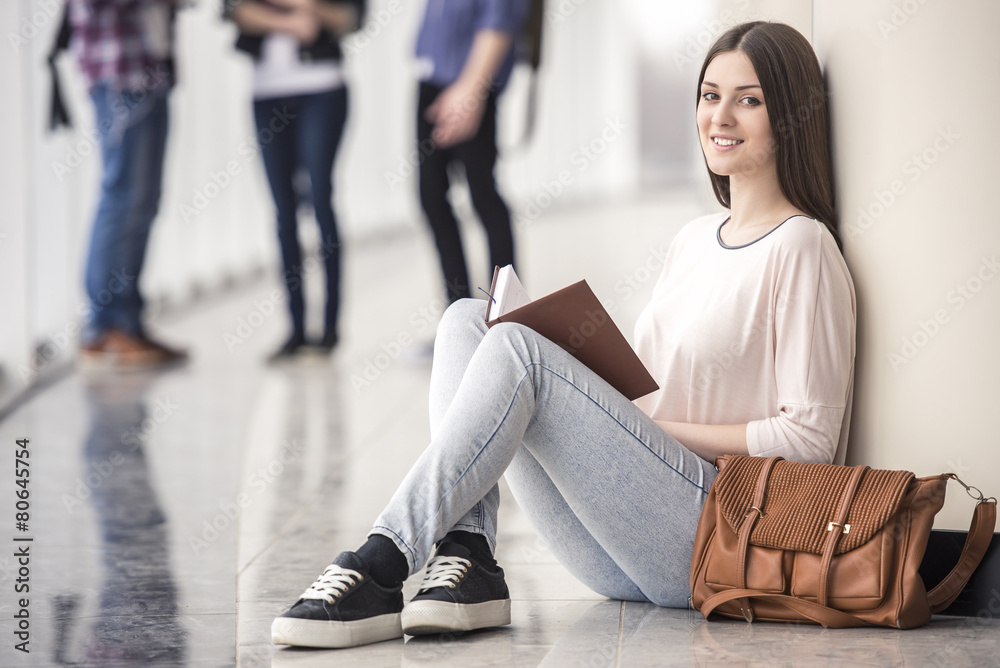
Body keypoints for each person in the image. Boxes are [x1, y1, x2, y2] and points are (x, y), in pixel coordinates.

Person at [270, 21, 857, 649]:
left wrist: (647, 432)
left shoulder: (802, 246)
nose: (721, 117)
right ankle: (470, 554)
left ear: (792, 115)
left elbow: (812, 442)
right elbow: (658, 393)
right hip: (626, 537)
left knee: (519, 352)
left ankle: (383, 557)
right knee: (469, 320)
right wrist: (602, 394)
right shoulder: (693, 239)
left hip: (713, 535)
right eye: (710, 95)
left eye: (750, 100)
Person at [225, 0, 364, 361]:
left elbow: (352, 17)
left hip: (323, 89)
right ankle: (296, 329)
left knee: (321, 200)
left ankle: (330, 327)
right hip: (267, 92)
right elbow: (233, 9)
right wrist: (292, 17)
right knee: (283, 212)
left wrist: (307, 10)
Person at [71, 0, 188, 369]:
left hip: (151, 71)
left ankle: (129, 322)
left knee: (144, 202)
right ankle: (104, 326)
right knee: (122, 197)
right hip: (120, 75)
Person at [415, 0, 530, 304]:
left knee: (483, 195)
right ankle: (458, 317)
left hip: (471, 83)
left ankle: (507, 314)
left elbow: (499, 19)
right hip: (432, 79)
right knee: (431, 197)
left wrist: (472, 89)